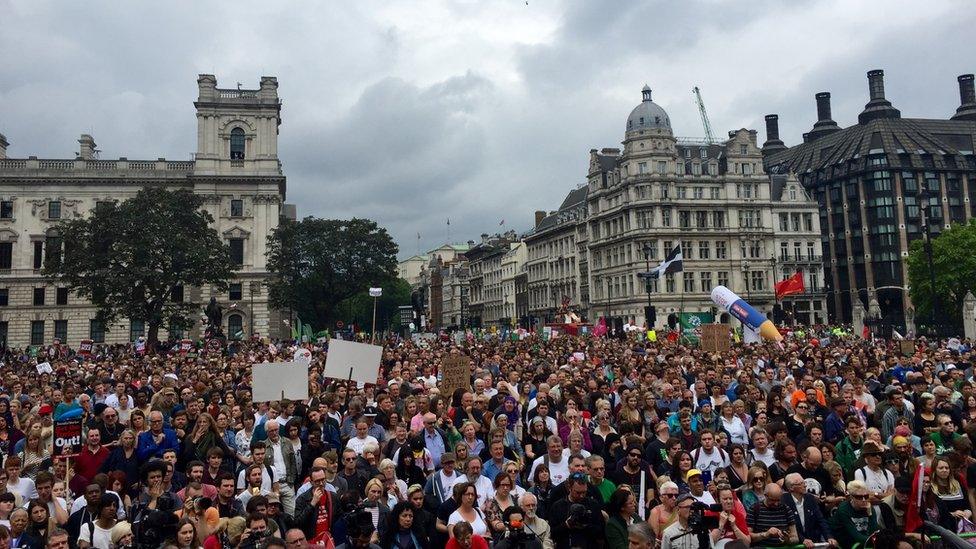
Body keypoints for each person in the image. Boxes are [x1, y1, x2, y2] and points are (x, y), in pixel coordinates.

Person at [546, 473, 604, 549]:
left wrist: (586, 526)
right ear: (569, 488)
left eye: (584, 492)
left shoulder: (593, 505)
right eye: (578, 492)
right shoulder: (558, 506)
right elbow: (552, 534)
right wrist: (566, 525)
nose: (581, 495)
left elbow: (601, 532)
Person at [781, 473, 836, 549]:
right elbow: (787, 526)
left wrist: (829, 537)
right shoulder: (784, 501)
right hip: (795, 545)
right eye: (800, 484)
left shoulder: (810, 499)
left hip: (813, 542)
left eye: (804, 482)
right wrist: (802, 539)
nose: (805, 485)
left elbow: (821, 520)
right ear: (791, 488)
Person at [828, 480, 878, 548]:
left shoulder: (869, 508)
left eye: (866, 496)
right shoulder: (844, 509)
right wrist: (875, 542)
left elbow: (874, 533)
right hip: (845, 542)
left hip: (861, 542)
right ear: (852, 497)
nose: (863, 500)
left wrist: (870, 514)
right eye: (859, 497)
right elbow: (855, 536)